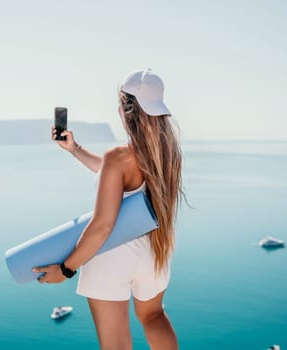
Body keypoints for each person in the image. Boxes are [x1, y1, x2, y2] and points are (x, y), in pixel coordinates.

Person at [33, 68, 182, 350]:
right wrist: (75, 149)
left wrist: (66, 269)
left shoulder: (119, 157)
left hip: (114, 256)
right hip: (155, 253)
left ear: (125, 109)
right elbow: (117, 177)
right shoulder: (168, 156)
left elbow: (102, 226)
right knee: (153, 316)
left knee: (115, 344)